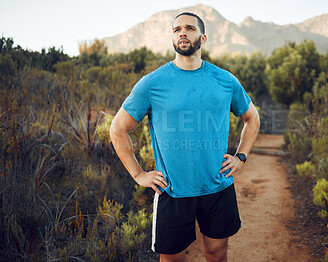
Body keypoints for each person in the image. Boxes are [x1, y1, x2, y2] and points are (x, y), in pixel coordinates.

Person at [109, 11, 260, 262]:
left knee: (216, 253)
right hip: (172, 191)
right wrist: (138, 174)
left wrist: (241, 157)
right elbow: (117, 128)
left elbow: (252, 118)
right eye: (177, 29)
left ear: (203, 37)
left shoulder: (225, 80)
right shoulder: (152, 83)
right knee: (172, 260)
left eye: (189, 28)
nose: (182, 33)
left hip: (217, 186)